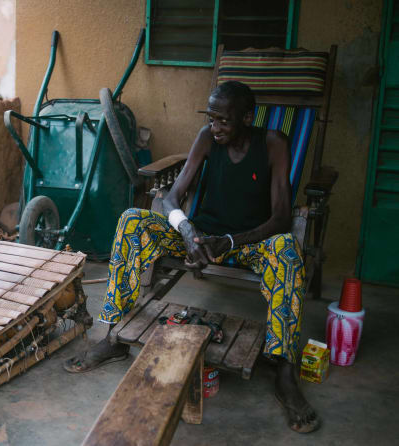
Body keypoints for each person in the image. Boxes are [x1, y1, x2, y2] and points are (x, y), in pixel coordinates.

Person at [64, 81, 320, 433]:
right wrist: (187, 230)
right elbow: (172, 197)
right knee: (132, 221)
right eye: (210, 118)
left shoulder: (274, 144)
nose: (214, 127)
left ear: (247, 117)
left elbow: (280, 217)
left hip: (249, 241)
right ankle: (113, 337)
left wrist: (228, 242)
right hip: (198, 236)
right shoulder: (206, 138)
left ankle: (285, 368)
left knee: (288, 253)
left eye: (223, 121)